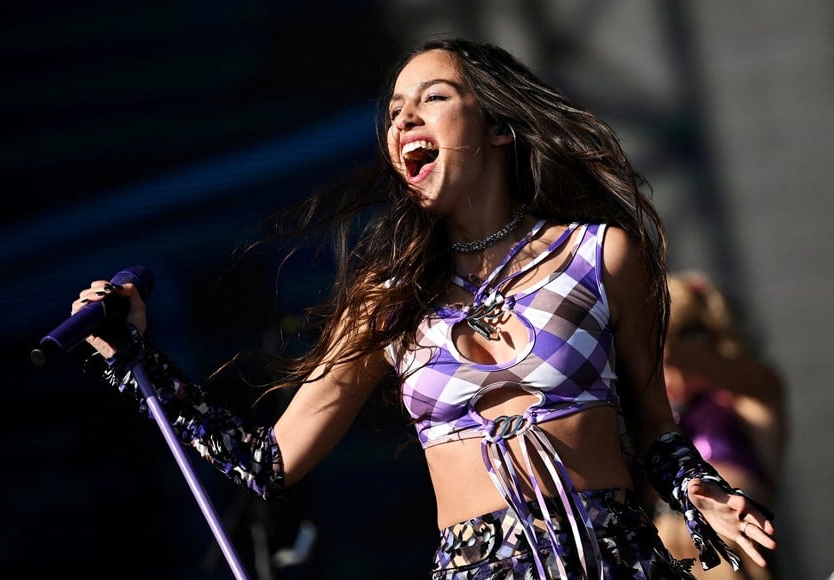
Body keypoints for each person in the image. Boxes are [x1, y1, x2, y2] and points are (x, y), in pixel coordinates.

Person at [70, 36, 777, 579]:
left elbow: (658, 433)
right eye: (395, 110)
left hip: (607, 552)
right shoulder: (390, 299)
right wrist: (138, 364)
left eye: (432, 97)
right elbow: (268, 462)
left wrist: (699, 491)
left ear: (498, 127)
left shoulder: (599, 255)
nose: (405, 115)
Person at [650, 271, 786, 579]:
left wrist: (657, 321)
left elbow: (679, 354)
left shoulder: (752, 393)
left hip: (731, 554)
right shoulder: (652, 410)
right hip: (665, 554)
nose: (670, 374)